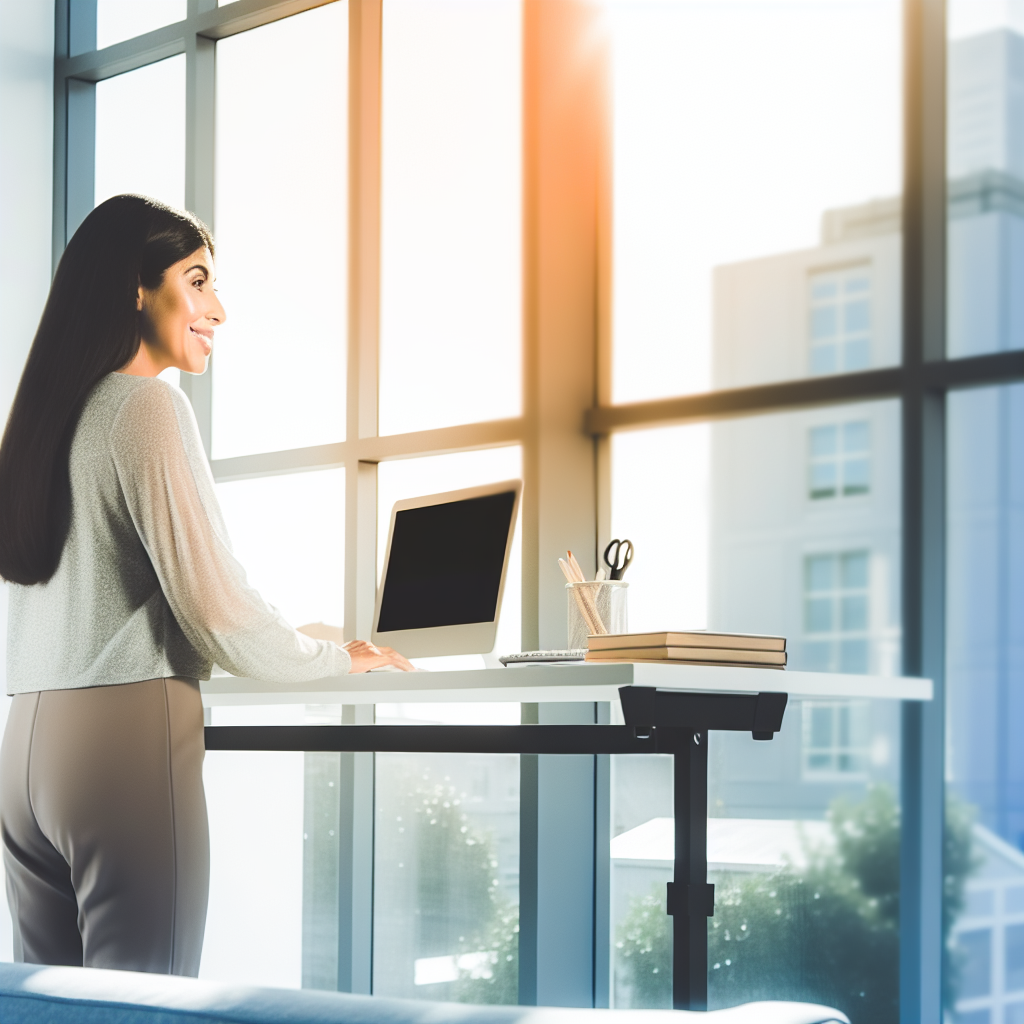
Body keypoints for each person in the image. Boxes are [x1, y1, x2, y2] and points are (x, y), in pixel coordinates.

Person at [0, 194, 411, 977]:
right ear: (137, 288)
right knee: (146, 1004)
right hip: (121, 747)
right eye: (197, 281)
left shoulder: (52, 417)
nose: (217, 309)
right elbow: (213, 602)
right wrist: (330, 661)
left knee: (48, 1006)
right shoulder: (147, 407)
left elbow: (134, 591)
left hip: (26, 747)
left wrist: (302, 635)